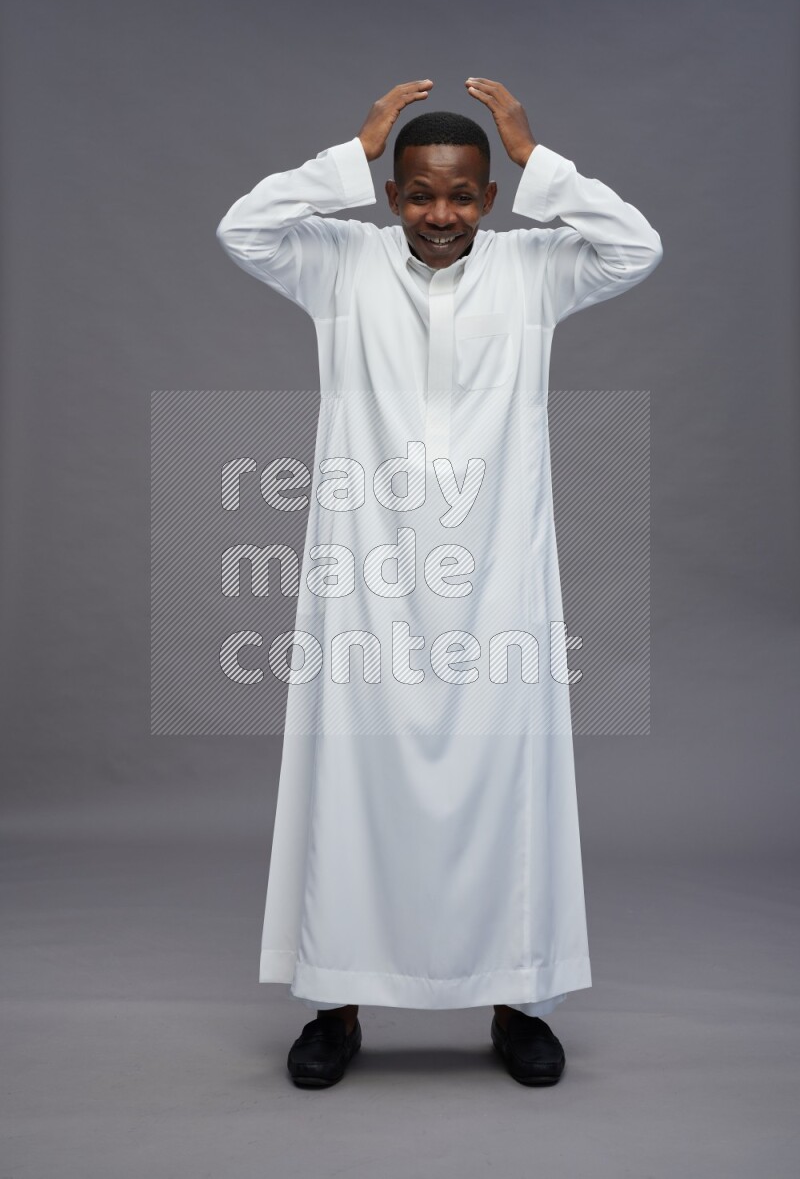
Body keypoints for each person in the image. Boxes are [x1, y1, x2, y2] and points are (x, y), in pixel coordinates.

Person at [216, 78, 662, 1088]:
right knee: (350, 782)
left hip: (499, 582)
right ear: (387, 194)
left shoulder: (535, 271)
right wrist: (350, 146)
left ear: (492, 198)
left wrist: (539, 156)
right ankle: (335, 1000)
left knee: (510, 786)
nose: (439, 215)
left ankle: (520, 999)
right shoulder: (336, 265)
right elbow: (243, 228)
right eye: (417, 193)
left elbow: (635, 247)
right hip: (362, 580)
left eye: (462, 195)